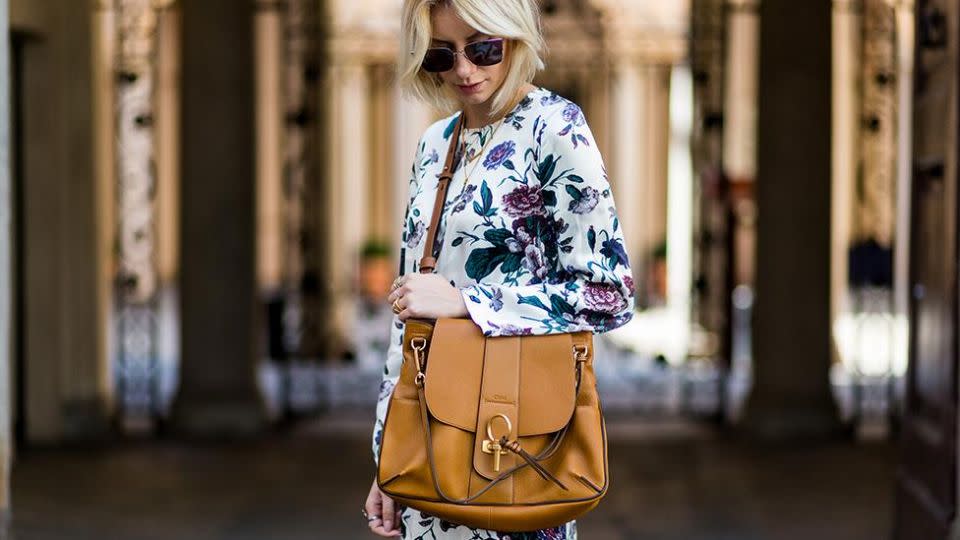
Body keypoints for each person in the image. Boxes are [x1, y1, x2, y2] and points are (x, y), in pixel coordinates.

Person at [365, 0, 635, 537]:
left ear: (515, 40)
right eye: (443, 54)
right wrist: (386, 456)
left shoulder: (556, 127)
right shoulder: (433, 146)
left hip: (521, 441)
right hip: (431, 451)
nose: (464, 69)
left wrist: (467, 303)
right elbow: (410, 314)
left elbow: (611, 292)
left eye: (483, 48)